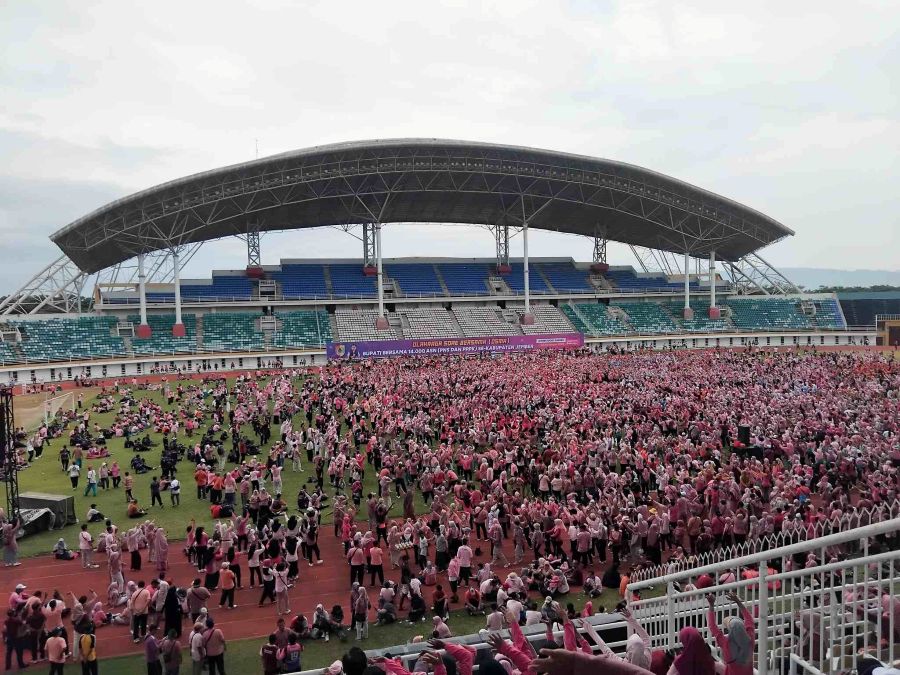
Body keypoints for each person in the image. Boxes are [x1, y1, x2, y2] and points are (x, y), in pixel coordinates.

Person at [706, 592, 754, 675]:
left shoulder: (726, 644)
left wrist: (711, 605)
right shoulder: (750, 640)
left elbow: (712, 626)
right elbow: (749, 620)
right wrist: (738, 602)